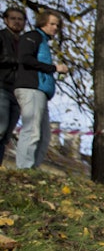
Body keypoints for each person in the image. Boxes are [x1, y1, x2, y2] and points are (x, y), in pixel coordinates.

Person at [13, 10, 68, 170]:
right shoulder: (32, 37)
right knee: (32, 129)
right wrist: (54, 68)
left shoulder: (43, 41)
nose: (55, 28)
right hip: (30, 87)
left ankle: (33, 169)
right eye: (52, 24)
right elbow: (25, 58)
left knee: (44, 135)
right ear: (43, 22)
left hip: (41, 91)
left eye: (57, 25)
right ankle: (24, 168)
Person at [0, 7, 27, 163]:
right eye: (13, 18)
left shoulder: (25, 42)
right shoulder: (1, 36)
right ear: (5, 20)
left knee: (7, 135)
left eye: (20, 19)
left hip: (18, 91)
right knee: (0, 128)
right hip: (2, 86)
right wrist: (17, 61)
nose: (17, 22)